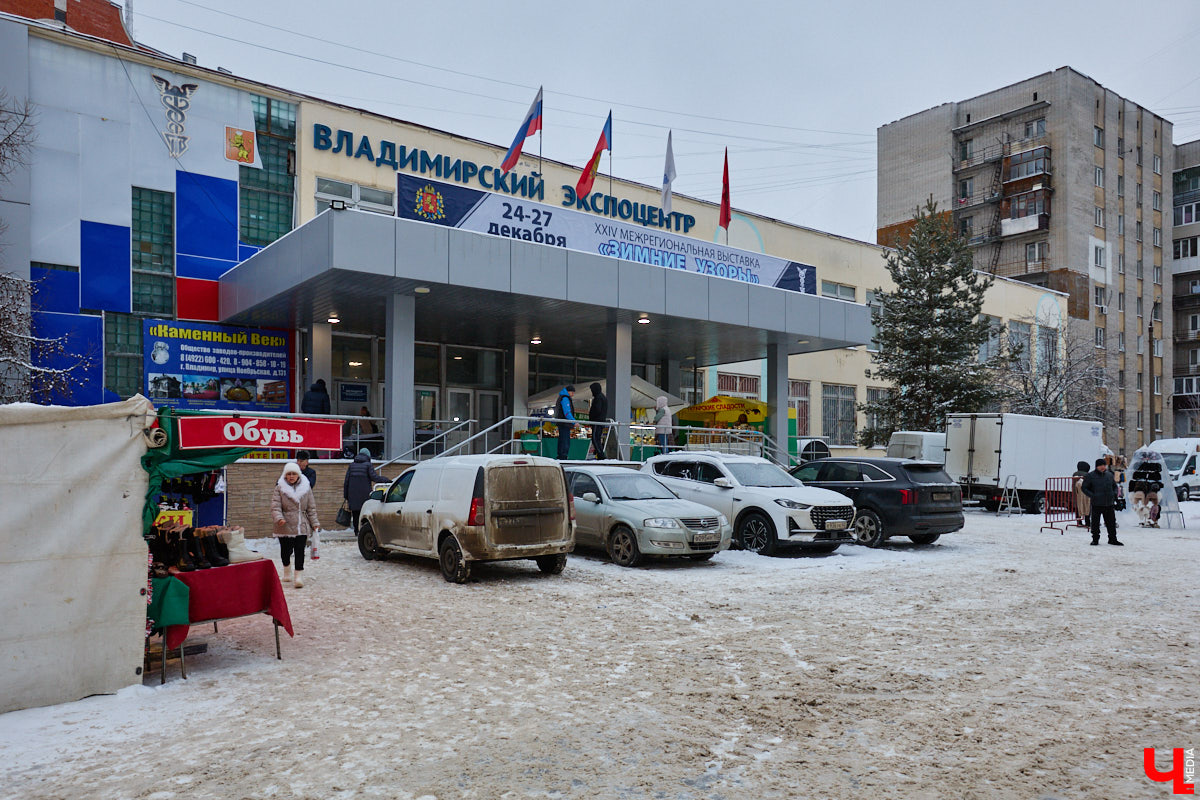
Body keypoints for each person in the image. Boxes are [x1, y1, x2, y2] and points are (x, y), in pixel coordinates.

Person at [270, 461, 320, 587]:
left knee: (299, 550)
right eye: (289, 474)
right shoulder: (279, 488)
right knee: (286, 551)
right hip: (284, 525)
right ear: (285, 475)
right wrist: (279, 518)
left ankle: (298, 576)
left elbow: (311, 507)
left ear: (298, 475)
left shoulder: (306, 487)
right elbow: (275, 506)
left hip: (301, 524)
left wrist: (314, 523)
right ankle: (287, 571)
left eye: (294, 474)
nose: (291, 476)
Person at [1080, 457, 1122, 546]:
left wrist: (1114, 494)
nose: (1103, 467)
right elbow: (1084, 488)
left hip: (1109, 503)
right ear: (1096, 466)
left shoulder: (1109, 475)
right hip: (1097, 503)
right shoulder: (1090, 476)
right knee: (1095, 523)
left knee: (1111, 522)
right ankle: (1095, 539)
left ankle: (1112, 539)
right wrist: (1092, 495)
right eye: (1100, 465)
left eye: (1104, 465)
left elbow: (1114, 486)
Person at [344, 447, 385, 534]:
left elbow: (346, 481)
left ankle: (356, 531)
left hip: (352, 494)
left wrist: (346, 495)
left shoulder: (351, 465)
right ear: (368, 456)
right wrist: (386, 480)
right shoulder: (368, 465)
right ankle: (363, 531)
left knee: (355, 513)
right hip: (365, 494)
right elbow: (374, 477)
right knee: (365, 513)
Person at [555, 385, 577, 460]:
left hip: (562, 422)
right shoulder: (565, 398)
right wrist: (573, 421)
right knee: (565, 440)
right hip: (564, 423)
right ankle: (563, 456)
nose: (573, 394)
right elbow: (567, 412)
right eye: (572, 392)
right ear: (569, 392)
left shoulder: (562, 397)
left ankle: (561, 455)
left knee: (562, 439)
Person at [587, 382, 608, 460]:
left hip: (597, 421)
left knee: (595, 438)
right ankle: (600, 453)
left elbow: (597, 410)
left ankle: (600, 454)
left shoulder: (598, 398)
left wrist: (592, 417)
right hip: (600, 420)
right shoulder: (603, 397)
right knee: (597, 438)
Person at [1072, 460, 1091, 527]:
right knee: (1087, 507)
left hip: (1076, 493)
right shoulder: (1087, 475)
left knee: (1078, 507)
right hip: (1085, 494)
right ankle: (1087, 522)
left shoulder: (1075, 474)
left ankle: (1079, 522)